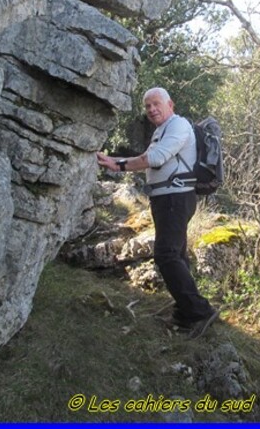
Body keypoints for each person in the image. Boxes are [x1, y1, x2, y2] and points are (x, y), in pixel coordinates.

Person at [96, 87, 219, 339]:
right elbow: (148, 158)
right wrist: (114, 162)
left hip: (176, 198)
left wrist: (118, 164)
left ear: (170, 104)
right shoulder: (162, 130)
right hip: (166, 199)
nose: (151, 109)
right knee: (177, 255)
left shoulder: (179, 125)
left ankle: (199, 312)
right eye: (147, 106)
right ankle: (185, 311)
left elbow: (156, 158)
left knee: (166, 255)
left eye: (156, 104)